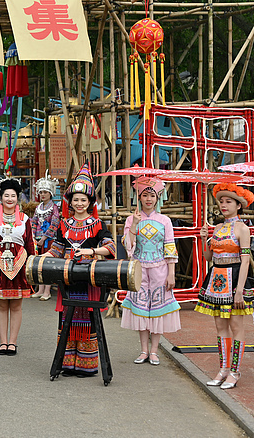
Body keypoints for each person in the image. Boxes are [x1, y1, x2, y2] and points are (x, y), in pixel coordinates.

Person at [41, 162, 116, 377]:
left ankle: (86, 365)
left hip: (89, 278)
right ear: (70, 202)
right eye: (76, 200)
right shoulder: (64, 224)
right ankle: (66, 363)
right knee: (66, 318)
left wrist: (90, 252)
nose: (80, 203)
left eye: (84, 200)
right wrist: (39, 258)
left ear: (90, 202)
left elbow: (110, 247)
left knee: (88, 319)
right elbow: (56, 249)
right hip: (67, 278)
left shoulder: (98, 225)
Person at [196, 183, 254, 389]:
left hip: (235, 278)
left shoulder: (243, 228)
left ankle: (235, 372)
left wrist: (240, 290)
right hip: (216, 279)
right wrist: (205, 240)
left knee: (236, 326)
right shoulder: (218, 228)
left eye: (228, 201)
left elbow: (245, 260)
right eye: (221, 201)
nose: (223, 205)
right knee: (220, 327)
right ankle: (223, 369)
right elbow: (208, 257)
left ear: (239, 205)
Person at [120, 176, 181, 366]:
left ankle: (154, 351)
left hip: (160, 270)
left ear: (158, 198)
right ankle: (143, 350)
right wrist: (135, 225)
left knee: (157, 310)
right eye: (145, 195)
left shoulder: (165, 221)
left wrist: (171, 273)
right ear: (139, 197)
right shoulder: (131, 219)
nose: (148, 199)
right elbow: (128, 247)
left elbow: (170, 247)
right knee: (141, 310)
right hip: (138, 269)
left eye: (152, 195)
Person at [0, 178, 35, 356]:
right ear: (1, 198)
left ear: (17, 198)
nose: (9, 199)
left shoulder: (25, 219)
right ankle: (3, 341)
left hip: (20, 264)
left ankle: (13, 342)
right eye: (6, 195)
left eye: (13, 196)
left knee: (17, 306)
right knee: (2, 305)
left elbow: (30, 243)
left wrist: (34, 265)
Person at [30, 172, 60, 301]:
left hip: (49, 241)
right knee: (39, 265)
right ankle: (40, 289)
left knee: (47, 265)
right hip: (38, 240)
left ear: (50, 193)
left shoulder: (54, 208)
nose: (42, 194)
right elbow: (34, 222)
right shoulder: (38, 208)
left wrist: (43, 238)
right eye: (41, 192)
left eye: (45, 192)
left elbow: (54, 225)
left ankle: (47, 291)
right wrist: (32, 236)